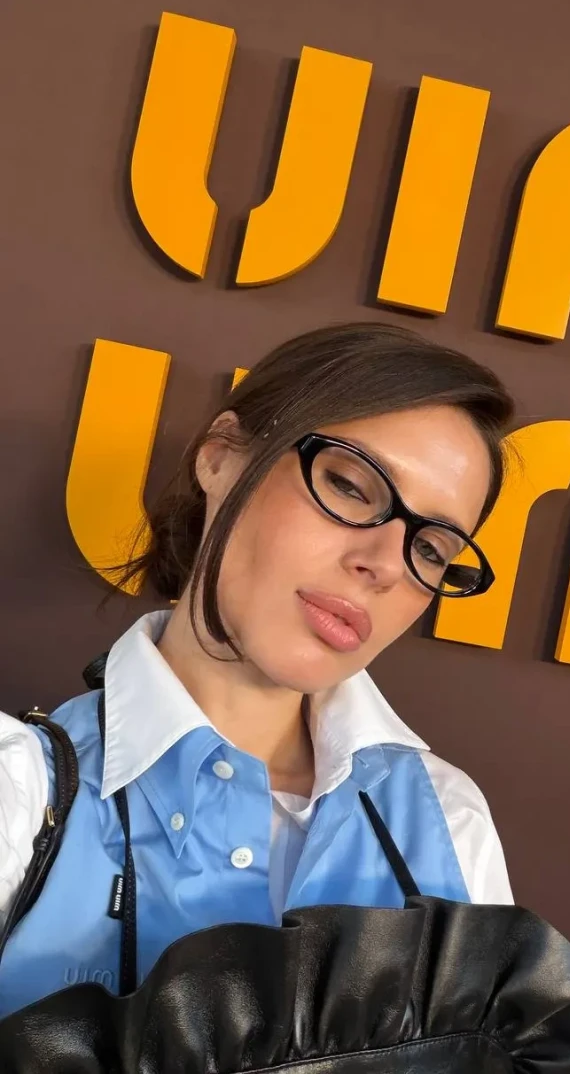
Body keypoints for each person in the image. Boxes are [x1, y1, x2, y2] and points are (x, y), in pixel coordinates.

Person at [0, 320, 518, 1017]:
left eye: (431, 549)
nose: (386, 564)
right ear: (220, 457)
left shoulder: (448, 820)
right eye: (351, 487)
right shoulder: (19, 791)